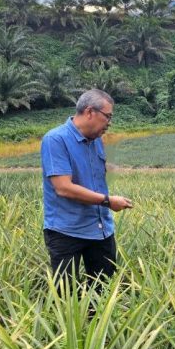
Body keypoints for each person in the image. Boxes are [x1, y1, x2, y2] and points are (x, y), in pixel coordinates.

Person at [40, 89, 132, 283]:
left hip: (100, 229)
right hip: (66, 231)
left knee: (103, 292)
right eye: (107, 116)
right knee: (66, 297)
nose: (109, 123)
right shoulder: (55, 139)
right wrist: (108, 201)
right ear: (90, 112)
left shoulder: (97, 141)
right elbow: (63, 187)